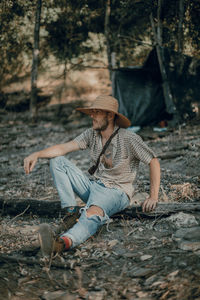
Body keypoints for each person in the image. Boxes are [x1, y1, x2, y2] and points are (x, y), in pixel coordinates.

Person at [24, 95, 160, 254]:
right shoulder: (91, 134)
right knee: (57, 161)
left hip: (116, 192)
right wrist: (37, 154)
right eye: (92, 112)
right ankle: (71, 213)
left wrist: (153, 196)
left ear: (109, 115)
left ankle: (62, 243)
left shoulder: (129, 138)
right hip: (95, 186)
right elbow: (64, 148)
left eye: (96, 112)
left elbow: (153, 161)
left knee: (92, 213)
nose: (92, 116)